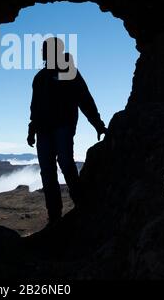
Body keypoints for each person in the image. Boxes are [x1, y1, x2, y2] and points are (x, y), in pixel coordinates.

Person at [27, 37, 107, 225]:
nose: (43, 53)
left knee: (65, 163)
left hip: (63, 125)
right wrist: (32, 130)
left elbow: (85, 99)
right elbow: (35, 108)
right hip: (43, 130)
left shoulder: (69, 72)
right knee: (47, 171)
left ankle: (81, 205)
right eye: (43, 49)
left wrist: (97, 123)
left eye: (46, 49)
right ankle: (54, 216)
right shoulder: (40, 78)